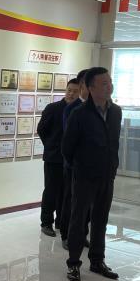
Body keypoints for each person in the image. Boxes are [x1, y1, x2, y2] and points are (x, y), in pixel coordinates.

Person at [62, 67, 122, 281]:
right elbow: (67, 147)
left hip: (107, 174)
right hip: (84, 175)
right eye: (104, 83)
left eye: (110, 82)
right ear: (90, 88)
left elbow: (114, 142)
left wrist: (112, 166)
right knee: (78, 220)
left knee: (100, 220)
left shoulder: (116, 112)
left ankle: (97, 260)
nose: (109, 86)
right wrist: (79, 168)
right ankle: (73, 263)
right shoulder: (79, 113)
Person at [36, 78, 79, 237]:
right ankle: (46, 222)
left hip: (72, 161)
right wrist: (50, 145)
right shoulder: (53, 108)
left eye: (75, 91)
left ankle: (61, 221)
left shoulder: (80, 110)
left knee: (67, 192)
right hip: (54, 157)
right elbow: (42, 129)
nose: (71, 94)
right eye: (69, 90)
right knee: (51, 191)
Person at [58, 69, 91, 248]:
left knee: (87, 204)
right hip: (74, 165)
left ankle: (82, 233)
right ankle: (66, 235)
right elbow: (68, 140)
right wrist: (72, 161)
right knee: (70, 201)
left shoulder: (99, 107)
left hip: (92, 167)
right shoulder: (72, 108)